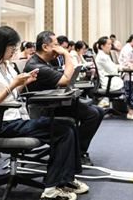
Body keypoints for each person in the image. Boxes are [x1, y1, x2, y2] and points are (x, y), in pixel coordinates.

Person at [0, 26, 87, 200]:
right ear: (2, 46)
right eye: (12, 47)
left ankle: (66, 179)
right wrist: (13, 85)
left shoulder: (7, 66)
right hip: (2, 124)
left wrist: (24, 82)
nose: (14, 51)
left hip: (16, 119)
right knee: (63, 131)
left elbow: (11, 95)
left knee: (68, 126)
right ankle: (50, 192)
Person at [24, 32, 105, 166]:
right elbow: (67, 79)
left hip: (55, 101)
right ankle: (77, 154)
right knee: (92, 114)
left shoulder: (44, 62)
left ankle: (76, 151)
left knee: (99, 111)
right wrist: (66, 54)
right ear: (45, 47)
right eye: (56, 45)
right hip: (46, 107)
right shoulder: (36, 66)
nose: (59, 48)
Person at [93, 36, 133, 120]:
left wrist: (123, 67)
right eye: (109, 44)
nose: (111, 46)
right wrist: (124, 67)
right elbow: (113, 71)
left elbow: (114, 66)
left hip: (113, 81)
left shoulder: (104, 55)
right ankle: (131, 112)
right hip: (110, 83)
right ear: (102, 46)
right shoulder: (102, 56)